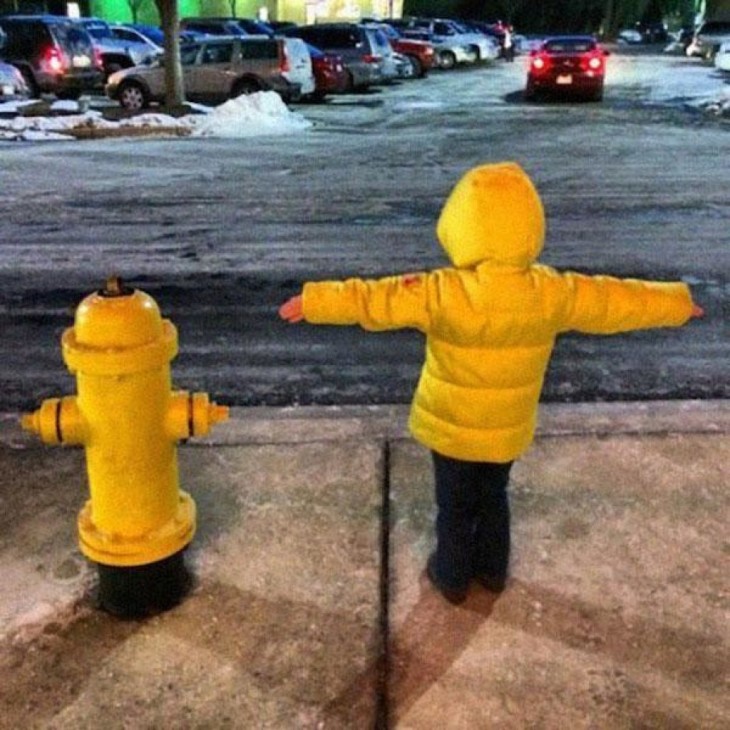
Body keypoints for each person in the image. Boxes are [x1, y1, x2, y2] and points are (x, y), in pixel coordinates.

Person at [279, 161, 704, 605]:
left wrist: (314, 301)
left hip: (452, 427)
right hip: (507, 427)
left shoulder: (440, 290)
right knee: (494, 496)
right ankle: (493, 571)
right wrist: (675, 304)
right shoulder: (552, 291)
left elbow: (375, 298)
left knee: (455, 506)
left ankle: (452, 577)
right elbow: (616, 299)